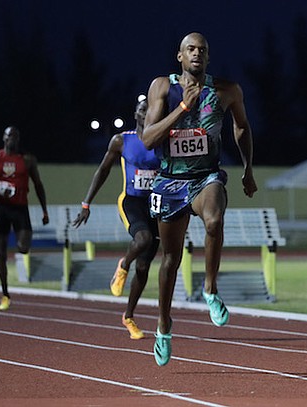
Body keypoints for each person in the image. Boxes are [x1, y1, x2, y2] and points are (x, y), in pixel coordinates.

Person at [141, 32, 257, 366]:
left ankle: (209, 289)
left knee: (214, 219)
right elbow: (148, 139)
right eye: (190, 49)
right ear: (180, 56)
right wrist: (183, 107)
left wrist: (248, 168)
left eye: (202, 50)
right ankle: (164, 324)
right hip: (170, 180)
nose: (197, 53)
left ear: (209, 57)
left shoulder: (226, 90)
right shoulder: (162, 87)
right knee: (170, 260)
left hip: (206, 176)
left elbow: (242, 127)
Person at [72, 98, 160, 340]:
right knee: (142, 239)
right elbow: (102, 170)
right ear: (136, 114)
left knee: (144, 267)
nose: (147, 112)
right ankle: (122, 266)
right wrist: (86, 203)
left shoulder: (163, 140)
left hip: (156, 205)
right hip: (131, 202)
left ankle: (128, 316)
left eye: (151, 109)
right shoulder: (122, 140)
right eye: (143, 109)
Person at [0, 126, 49, 311]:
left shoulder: (28, 160)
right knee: (0, 252)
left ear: (19, 139)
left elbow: (38, 184)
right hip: (1, 208)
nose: (12, 139)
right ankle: (5, 295)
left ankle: (14, 245)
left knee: (24, 247)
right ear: (3, 137)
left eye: (16, 136)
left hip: (20, 208)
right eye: (9, 135)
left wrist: (44, 210)